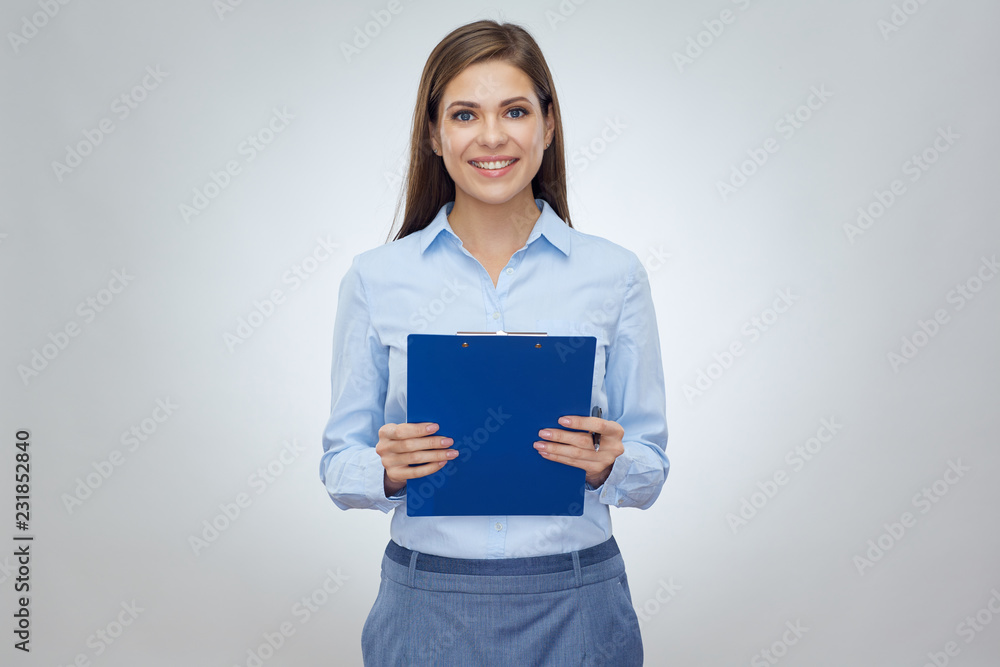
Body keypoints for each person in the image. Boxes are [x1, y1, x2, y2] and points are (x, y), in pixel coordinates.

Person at [319, 19, 668, 666]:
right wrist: (387, 469)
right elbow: (340, 464)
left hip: (577, 602)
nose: (491, 135)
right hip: (425, 604)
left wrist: (611, 462)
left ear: (548, 124)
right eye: (463, 114)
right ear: (433, 133)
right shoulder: (375, 278)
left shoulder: (615, 275)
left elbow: (649, 465)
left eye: (514, 110)